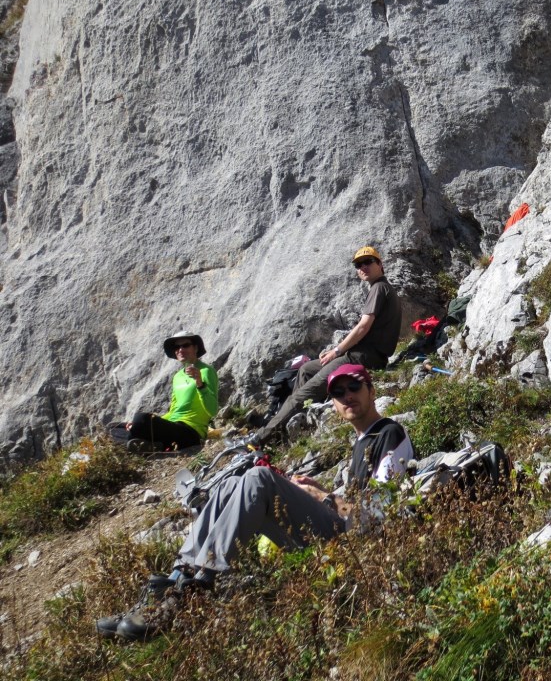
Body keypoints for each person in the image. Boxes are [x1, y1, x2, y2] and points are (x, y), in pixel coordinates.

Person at [96, 364, 414, 642]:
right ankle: (177, 580)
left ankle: (200, 583)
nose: (347, 396)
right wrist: (318, 489)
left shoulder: (389, 434)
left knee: (259, 479)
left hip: (358, 547)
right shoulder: (363, 442)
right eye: (339, 392)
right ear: (332, 405)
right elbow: (356, 501)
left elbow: (379, 512)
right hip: (340, 536)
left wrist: (323, 497)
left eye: (355, 386)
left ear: (372, 390)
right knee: (234, 482)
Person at [250, 245, 402, 445]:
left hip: (362, 357)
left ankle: (261, 439)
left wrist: (337, 351)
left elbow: (363, 327)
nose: (363, 267)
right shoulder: (381, 288)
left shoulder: (379, 287)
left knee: (300, 396)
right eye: (358, 264)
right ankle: (286, 421)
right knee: (305, 369)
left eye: (368, 262)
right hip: (362, 354)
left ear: (380, 265)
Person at [109, 332, 219, 451]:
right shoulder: (177, 377)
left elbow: (212, 410)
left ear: (196, 348)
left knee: (141, 418)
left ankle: (136, 444)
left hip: (191, 432)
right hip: (173, 428)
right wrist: (147, 423)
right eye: (177, 347)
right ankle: (150, 445)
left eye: (186, 345)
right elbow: (173, 411)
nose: (180, 350)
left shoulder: (206, 371)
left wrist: (199, 383)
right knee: (113, 427)